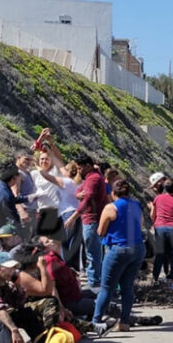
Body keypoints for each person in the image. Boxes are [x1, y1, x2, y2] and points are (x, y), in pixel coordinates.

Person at [93, 180, 145, 332]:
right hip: (138, 248)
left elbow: (100, 231)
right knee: (127, 286)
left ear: (113, 193)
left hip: (119, 249)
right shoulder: (136, 205)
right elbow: (140, 224)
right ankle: (124, 322)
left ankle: (95, 321)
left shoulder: (111, 207)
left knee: (106, 288)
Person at [30, 130, 80, 262]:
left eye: (46, 159)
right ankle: (61, 263)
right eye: (41, 159)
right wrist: (40, 138)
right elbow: (33, 152)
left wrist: (51, 143)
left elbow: (58, 158)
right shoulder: (35, 173)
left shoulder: (54, 171)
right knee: (48, 241)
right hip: (43, 210)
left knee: (50, 241)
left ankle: (64, 264)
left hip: (55, 210)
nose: (44, 161)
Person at [66, 155, 106, 285]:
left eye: (80, 168)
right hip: (92, 220)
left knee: (92, 253)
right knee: (94, 252)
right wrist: (78, 195)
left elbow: (87, 199)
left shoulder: (93, 179)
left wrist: (73, 217)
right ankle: (96, 280)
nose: (78, 171)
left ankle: (94, 282)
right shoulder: (92, 177)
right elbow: (79, 190)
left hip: (91, 220)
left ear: (88, 166)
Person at [15, 154, 37, 241]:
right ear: (18, 157)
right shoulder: (18, 174)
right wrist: (21, 211)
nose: (28, 162)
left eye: (30, 160)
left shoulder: (27, 173)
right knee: (24, 239)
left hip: (32, 210)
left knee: (31, 238)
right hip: (25, 211)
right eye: (26, 159)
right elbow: (14, 194)